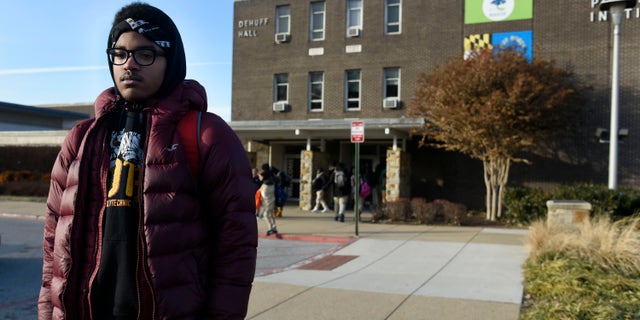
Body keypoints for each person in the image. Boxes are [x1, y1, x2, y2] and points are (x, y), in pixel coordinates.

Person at [38, 3, 257, 319]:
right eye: (120, 53)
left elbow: (236, 247)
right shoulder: (81, 137)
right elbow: (52, 244)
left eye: (145, 54)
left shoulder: (207, 135)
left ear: (172, 61)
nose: (129, 65)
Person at [257, 169, 278, 236]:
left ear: (263, 176)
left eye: (260, 176)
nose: (259, 178)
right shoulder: (270, 184)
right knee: (271, 215)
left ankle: (270, 228)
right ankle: (274, 228)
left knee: (266, 215)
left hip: (268, 203)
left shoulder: (266, 186)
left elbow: (264, 195)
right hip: (271, 202)